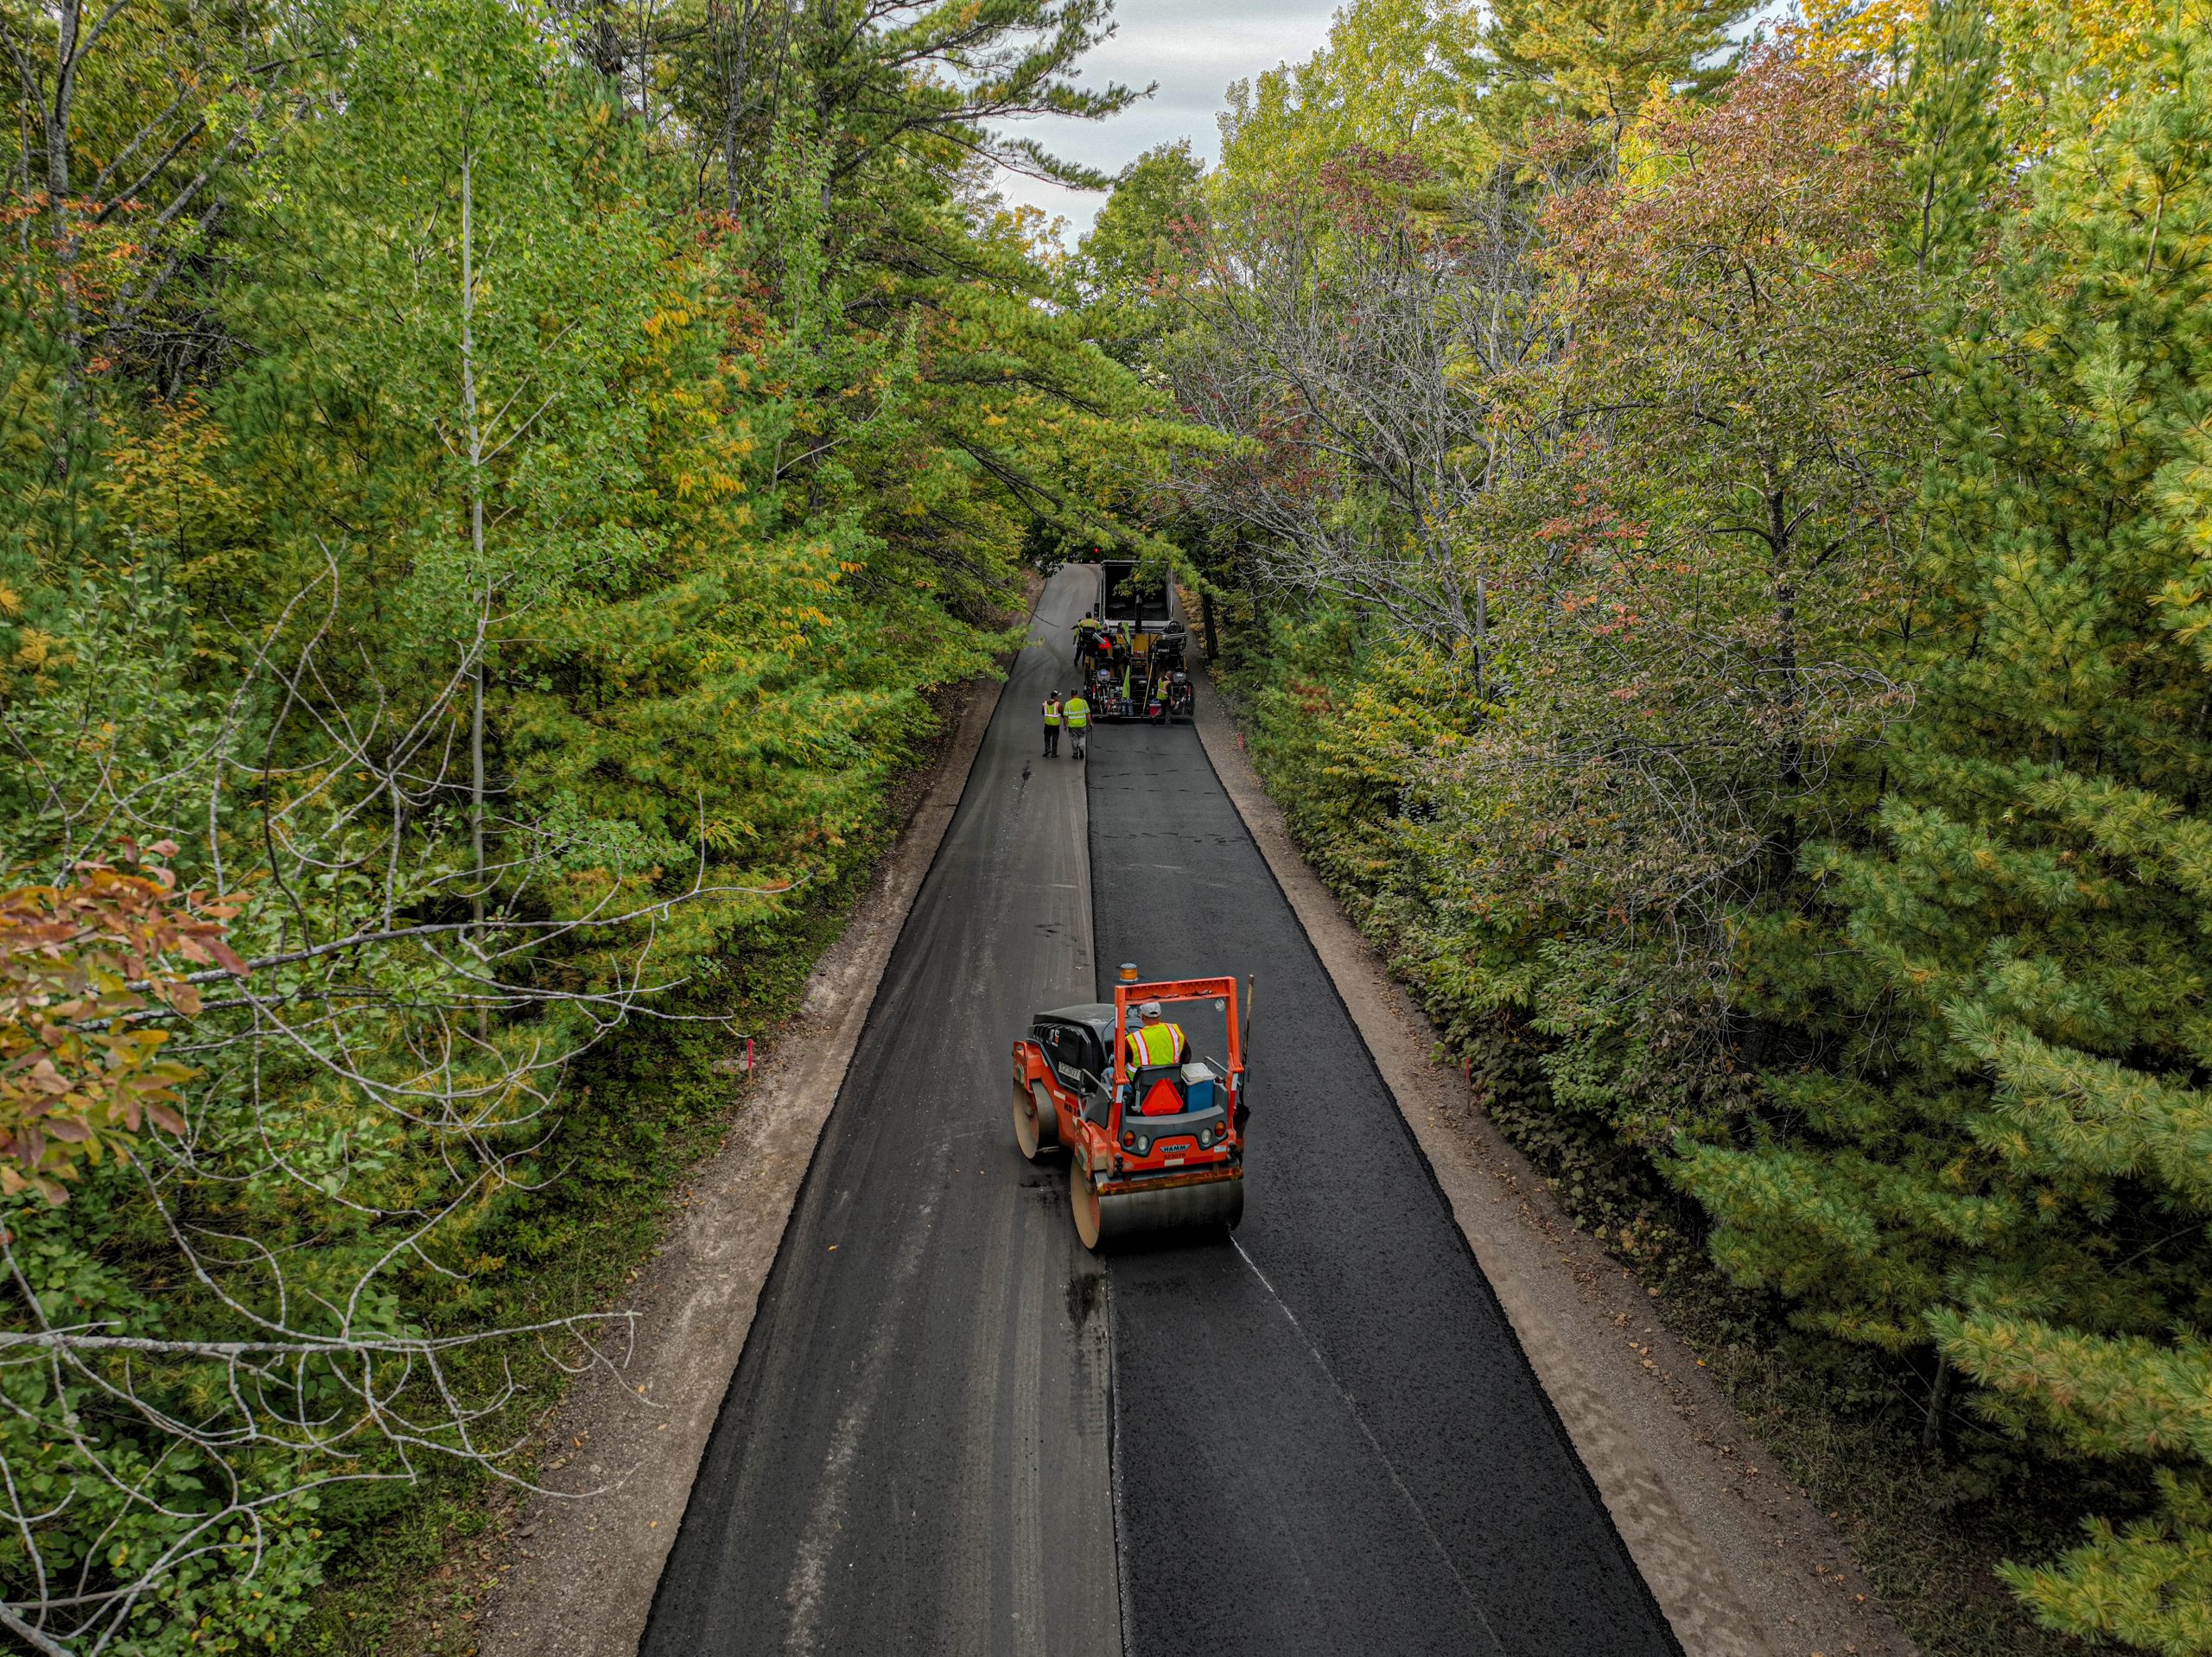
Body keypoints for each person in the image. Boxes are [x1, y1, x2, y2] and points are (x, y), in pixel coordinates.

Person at [1064, 689, 1089, 759]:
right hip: (1082, 725)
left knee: (1074, 739)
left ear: (1071, 695)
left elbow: (1065, 716)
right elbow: (1088, 713)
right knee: (1083, 737)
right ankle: (1081, 747)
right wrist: (1090, 723)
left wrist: (1065, 725)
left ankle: (1075, 754)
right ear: (1077, 695)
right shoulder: (1084, 702)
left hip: (1073, 726)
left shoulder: (1068, 704)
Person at [1043, 691, 1063, 758]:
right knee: (1055, 739)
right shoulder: (1058, 705)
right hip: (1055, 725)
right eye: (1057, 696)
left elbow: (1043, 713)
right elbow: (1062, 713)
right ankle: (1054, 753)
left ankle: (1047, 749)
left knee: (1047, 737)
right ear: (1054, 697)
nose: (1058, 697)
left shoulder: (1045, 704)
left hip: (1047, 724)